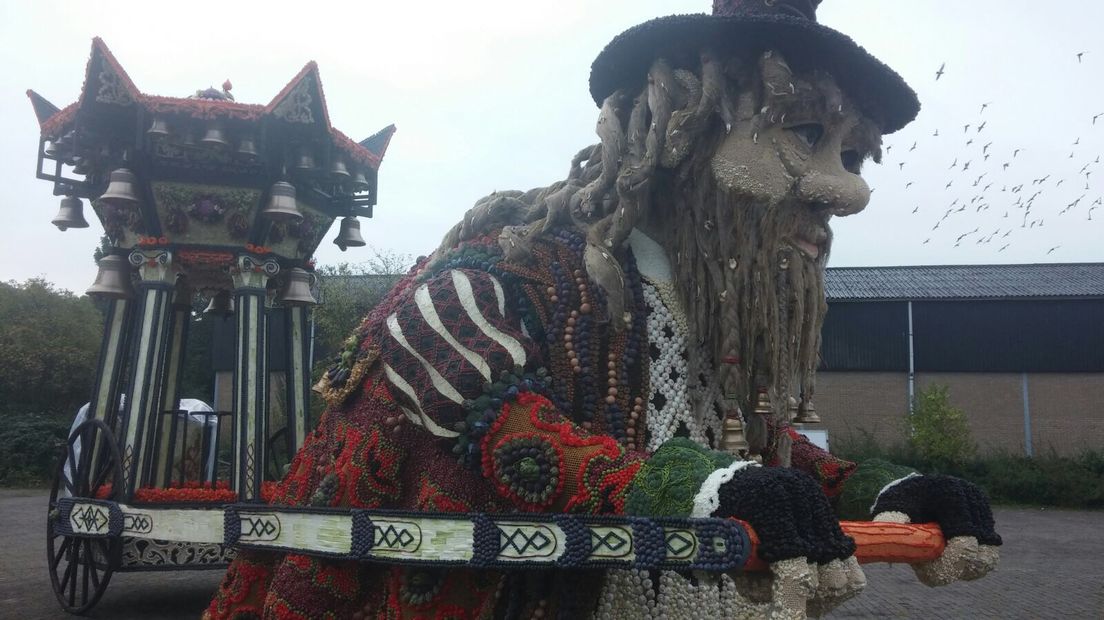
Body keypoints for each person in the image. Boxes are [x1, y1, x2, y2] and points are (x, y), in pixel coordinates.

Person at [207, 1, 1000, 618]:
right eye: (803, 134)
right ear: (683, 130)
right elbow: (517, 438)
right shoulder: (492, 283)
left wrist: (880, 490)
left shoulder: (701, 315)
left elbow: (751, 456)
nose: (848, 191)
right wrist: (704, 492)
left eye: (854, 154)